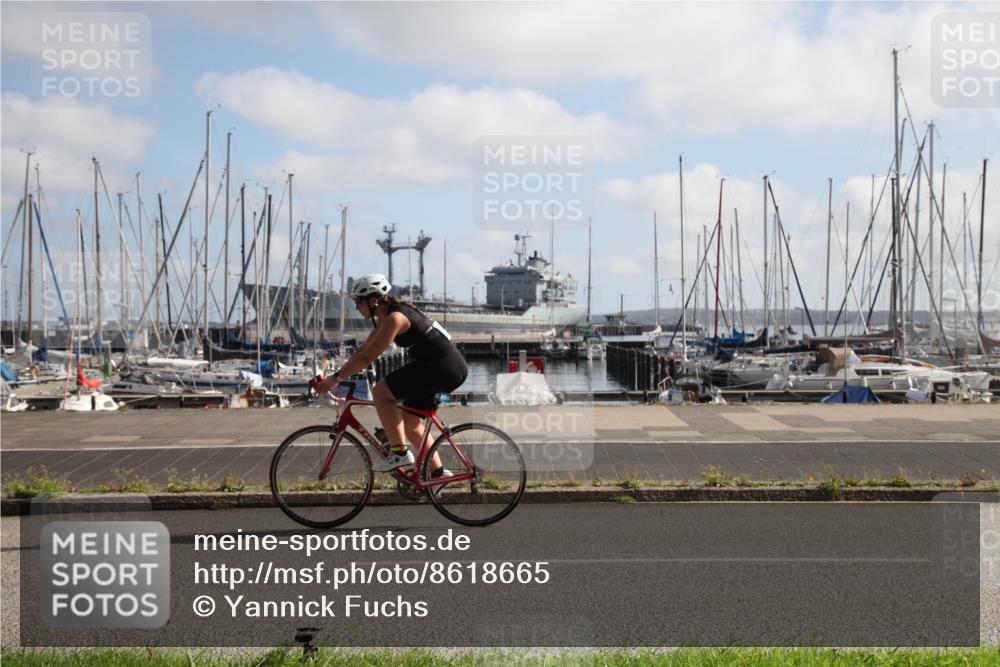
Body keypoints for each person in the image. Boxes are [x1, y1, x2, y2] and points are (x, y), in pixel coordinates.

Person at [315, 274, 468, 474]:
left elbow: (367, 358)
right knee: (411, 422)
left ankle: (399, 453)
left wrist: (336, 379)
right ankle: (438, 473)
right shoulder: (386, 318)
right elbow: (363, 351)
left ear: (374, 300)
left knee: (380, 393)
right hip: (443, 366)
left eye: (358, 303)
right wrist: (336, 375)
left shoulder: (395, 318)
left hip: (441, 366)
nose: (357, 308)